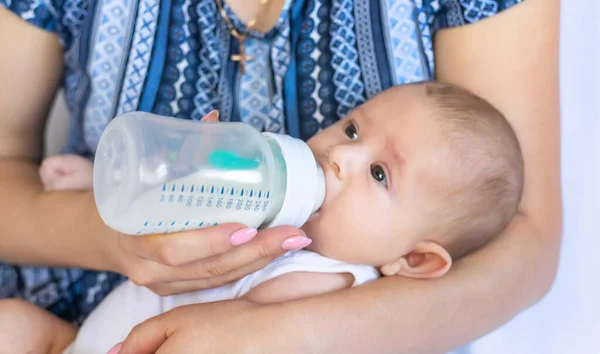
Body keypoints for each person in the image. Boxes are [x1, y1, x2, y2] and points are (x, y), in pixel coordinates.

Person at [0, 0, 560, 352]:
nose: (340, 158)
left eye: (381, 175)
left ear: (413, 260)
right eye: (351, 131)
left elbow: (527, 239)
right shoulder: (263, 197)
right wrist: (101, 205)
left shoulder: (333, 280)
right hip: (70, 327)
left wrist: (286, 334)